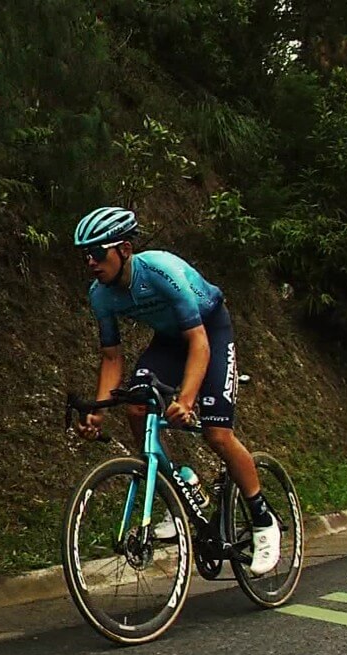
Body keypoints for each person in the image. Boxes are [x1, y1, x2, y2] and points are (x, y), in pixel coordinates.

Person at [71, 206, 280, 575]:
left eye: (98, 252)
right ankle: (179, 490)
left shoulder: (159, 271)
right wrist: (99, 410)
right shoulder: (100, 295)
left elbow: (199, 341)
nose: (90, 261)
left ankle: (264, 520)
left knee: (217, 434)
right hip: (169, 340)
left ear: (123, 250)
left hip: (209, 330)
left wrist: (185, 399)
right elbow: (111, 357)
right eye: (84, 254)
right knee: (136, 407)